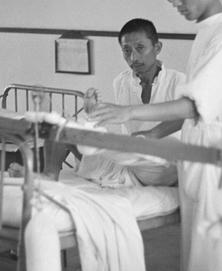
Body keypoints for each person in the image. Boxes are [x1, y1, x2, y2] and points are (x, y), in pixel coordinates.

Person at [88, 0, 222, 271]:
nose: (176, 2)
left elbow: (192, 105)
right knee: (198, 262)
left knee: (220, 265)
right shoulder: (206, 34)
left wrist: (127, 113)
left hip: (218, 165)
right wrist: (152, 134)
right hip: (198, 160)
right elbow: (198, 109)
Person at [76, 18, 185, 187]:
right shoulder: (121, 82)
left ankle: (116, 148)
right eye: (126, 50)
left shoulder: (178, 81)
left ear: (157, 48)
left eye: (140, 48)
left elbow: (185, 116)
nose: (133, 57)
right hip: (135, 156)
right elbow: (126, 125)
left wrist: (151, 135)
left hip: (166, 161)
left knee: (130, 150)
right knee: (73, 134)